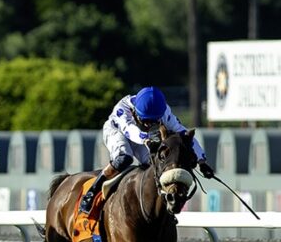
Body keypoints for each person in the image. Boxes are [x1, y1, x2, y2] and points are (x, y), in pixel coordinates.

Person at [78, 86, 214, 214]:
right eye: (146, 121)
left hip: (144, 138)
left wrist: (202, 161)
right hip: (117, 132)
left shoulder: (164, 112)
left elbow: (183, 134)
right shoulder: (123, 109)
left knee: (153, 166)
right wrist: (147, 141)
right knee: (124, 157)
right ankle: (93, 191)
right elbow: (131, 131)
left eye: (154, 121)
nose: (150, 124)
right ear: (135, 111)